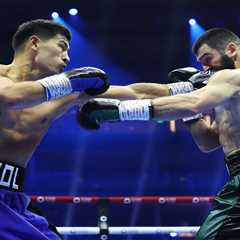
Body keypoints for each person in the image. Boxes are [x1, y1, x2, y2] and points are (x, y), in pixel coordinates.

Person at [77, 28, 240, 239]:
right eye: (201, 63)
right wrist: (79, 93)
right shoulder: (223, 88)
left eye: (208, 59)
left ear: (232, 49)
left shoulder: (231, 77)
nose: (205, 68)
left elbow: (193, 103)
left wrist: (120, 111)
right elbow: (208, 142)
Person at [0, 18, 111, 240]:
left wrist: (186, 88)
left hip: (12, 198)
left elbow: (134, 92)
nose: (67, 58)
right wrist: (67, 81)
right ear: (34, 43)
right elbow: (9, 97)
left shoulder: (63, 95)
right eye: (62, 46)